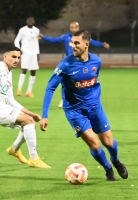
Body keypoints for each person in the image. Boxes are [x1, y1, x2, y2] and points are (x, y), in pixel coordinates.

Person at [40, 30, 128, 181]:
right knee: (94, 144)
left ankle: (115, 160)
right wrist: (45, 115)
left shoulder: (97, 62)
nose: (72, 46)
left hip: (94, 106)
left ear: (86, 44)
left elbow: (93, 81)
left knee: (108, 142)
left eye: (76, 43)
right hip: (74, 111)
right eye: (72, 43)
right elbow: (50, 88)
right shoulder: (65, 65)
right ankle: (108, 169)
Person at [0, 45, 50, 168]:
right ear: (5, 56)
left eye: (18, 58)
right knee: (28, 121)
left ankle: (14, 149)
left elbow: (10, 100)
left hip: (0, 107)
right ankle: (34, 158)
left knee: (29, 122)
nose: (16, 60)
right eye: (13, 57)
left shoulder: (8, 74)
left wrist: (31, 113)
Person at [37, 22, 110, 108]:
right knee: (64, 82)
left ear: (78, 27)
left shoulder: (82, 38)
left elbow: (92, 42)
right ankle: (64, 99)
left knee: (81, 82)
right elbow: (55, 40)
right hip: (70, 64)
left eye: (75, 27)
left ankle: (84, 99)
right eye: (72, 27)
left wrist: (102, 44)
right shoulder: (66, 37)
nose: (73, 29)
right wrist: (44, 37)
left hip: (80, 64)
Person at [14, 17, 40, 98]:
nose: (30, 22)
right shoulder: (22, 30)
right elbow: (16, 40)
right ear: (26, 22)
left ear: (34, 22)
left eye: (32, 21)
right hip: (25, 53)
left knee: (33, 71)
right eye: (29, 21)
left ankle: (29, 91)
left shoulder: (37, 30)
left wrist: (38, 53)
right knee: (24, 70)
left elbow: (36, 42)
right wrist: (18, 49)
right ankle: (19, 90)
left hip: (33, 53)